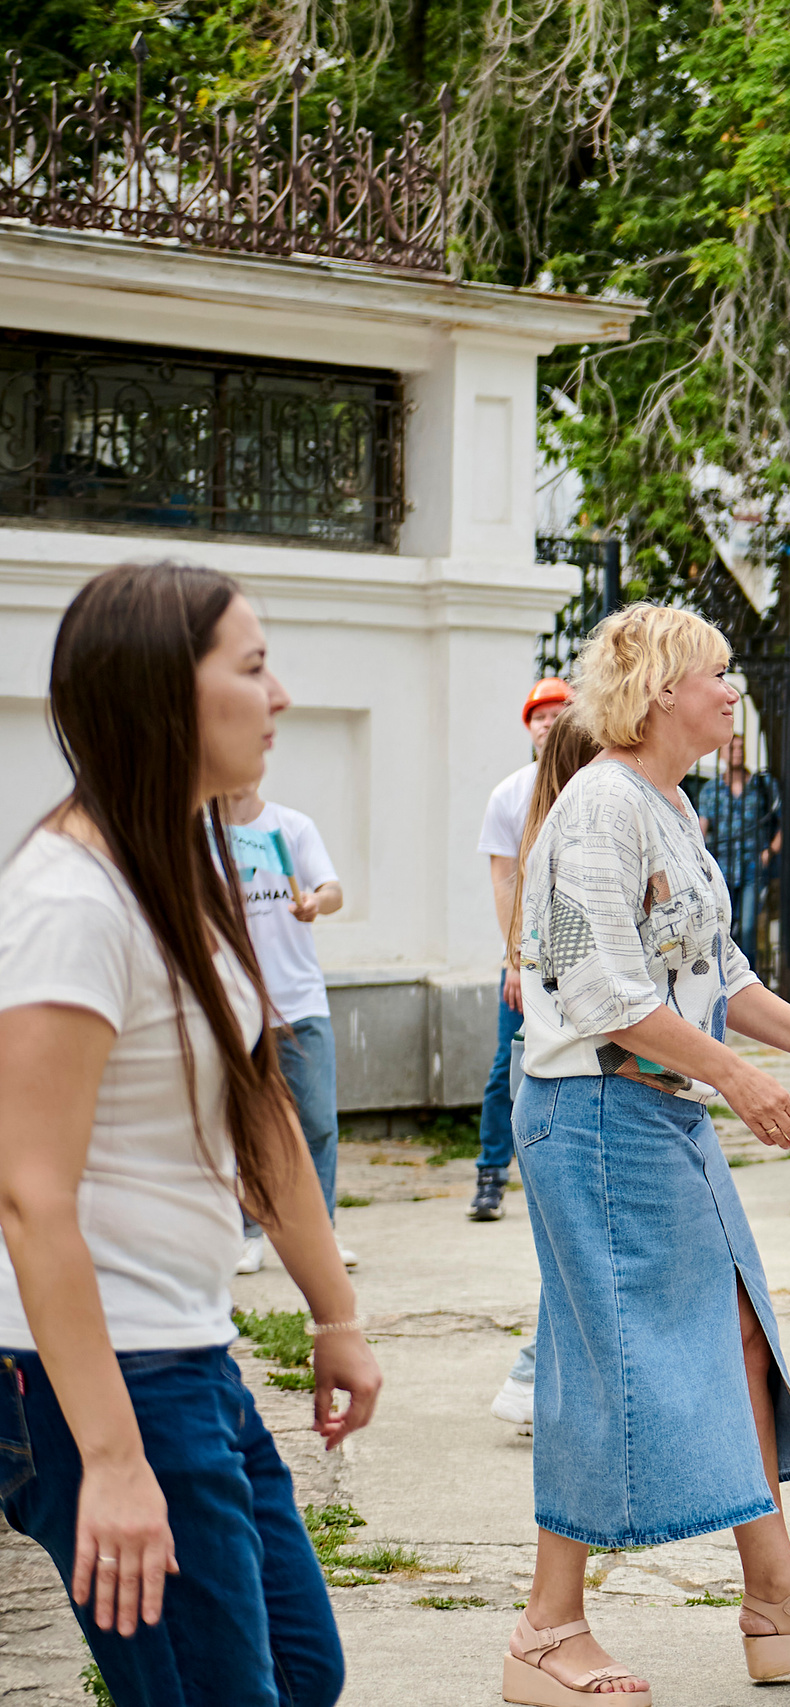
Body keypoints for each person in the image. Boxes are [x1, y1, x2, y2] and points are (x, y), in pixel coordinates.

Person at [0, 561, 383, 1706]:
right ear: (167, 692)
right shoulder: (70, 904)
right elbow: (29, 1194)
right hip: (101, 1382)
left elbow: (259, 1110)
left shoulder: (186, 860)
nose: (280, 697)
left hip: (186, 1353)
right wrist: (111, 1463)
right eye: (253, 667)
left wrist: (337, 1314)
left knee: (303, 1673)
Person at [510, 604, 790, 1696]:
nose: (735, 691)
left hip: (646, 1114)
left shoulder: (668, 805)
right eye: (718, 674)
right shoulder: (597, 807)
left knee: (737, 1335)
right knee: (607, 1360)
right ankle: (546, 1633)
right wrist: (735, 1077)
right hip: (592, 1115)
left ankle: (774, 1597)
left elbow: (718, 972)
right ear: (659, 691)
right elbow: (602, 993)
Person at [486, 715, 605, 1434]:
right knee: (576, 1253)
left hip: (561, 1077)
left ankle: (541, 1379)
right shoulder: (567, 860)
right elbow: (602, 995)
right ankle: (533, 1375)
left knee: (576, 1250)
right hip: (566, 1084)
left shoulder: (560, 846)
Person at [221, 784, 355, 1277]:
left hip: (300, 1003)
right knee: (246, 1128)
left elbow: (334, 892)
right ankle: (247, 1234)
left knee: (317, 1122)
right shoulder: (200, 834)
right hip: (232, 1006)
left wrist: (314, 903)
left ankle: (323, 1236)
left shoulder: (291, 825)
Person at [472, 677, 573, 1223]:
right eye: (540, 715)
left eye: (560, 713)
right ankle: (492, 1172)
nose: (550, 723)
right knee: (506, 1067)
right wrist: (514, 959)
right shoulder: (511, 793)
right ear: (528, 726)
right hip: (528, 960)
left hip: (585, 959)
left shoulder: (592, 783)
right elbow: (505, 882)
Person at [697, 734, 782, 960]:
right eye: (731, 747)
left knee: (748, 928)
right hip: (722, 868)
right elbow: (700, 830)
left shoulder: (762, 785)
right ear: (721, 752)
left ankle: (749, 979)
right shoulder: (711, 790)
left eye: (741, 747)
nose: (737, 751)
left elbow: (783, 823)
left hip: (753, 866)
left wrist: (770, 851)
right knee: (722, 927)